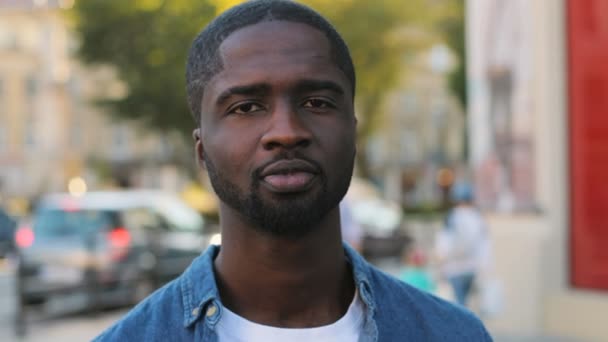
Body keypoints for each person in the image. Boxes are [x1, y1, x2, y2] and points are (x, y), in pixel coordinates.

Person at [95, 1, 491, 340]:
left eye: (317, 102)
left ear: (353, 134)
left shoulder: (452, 334)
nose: (286, 132)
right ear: (201, 148)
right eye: (246, 107)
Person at [436, 181, 491, 307]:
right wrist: (485, 266)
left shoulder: (452, 217)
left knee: (459, 302)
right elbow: (484, 244)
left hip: (454, 267)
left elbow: (444, 244)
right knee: (465, 301)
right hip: (472, 267)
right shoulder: (478, 218)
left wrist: (441, 261)